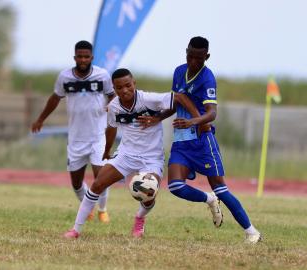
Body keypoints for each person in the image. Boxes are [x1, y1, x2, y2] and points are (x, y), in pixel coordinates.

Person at [63, 68, 221, 239]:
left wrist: (195, 121)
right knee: (97, 185)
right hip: (126, 155)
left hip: (151, 158)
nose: (125, 90)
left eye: (128, 85)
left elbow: (181, 98)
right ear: (114, 89)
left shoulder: (148, 99)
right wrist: (107, 150)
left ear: (134, 83)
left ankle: (139, 218)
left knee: (148, 194)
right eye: (119, 88)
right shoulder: (114, 106)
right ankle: (76, 230)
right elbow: (111, 127)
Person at [141, 36, 261, 243]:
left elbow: (212, 113)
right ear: (185, 51)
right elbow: (175, 103)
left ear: (207, 56)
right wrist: (157, 118)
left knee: (221, 189)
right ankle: (209, 199)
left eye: (199, 58)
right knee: (175, 186)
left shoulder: (207, 78)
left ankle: (252, 232)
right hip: (181, 142)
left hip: (203, 141)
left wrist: (193, 121)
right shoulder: (179, 71)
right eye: (190, 56)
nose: (193, 61)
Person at [31, 40, 116, 223]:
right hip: (77, 138)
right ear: (75, 57)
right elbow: (55, 98)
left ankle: (103, 210)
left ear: (92, 57)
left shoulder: (102, 75)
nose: (83, 60)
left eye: (87, 56)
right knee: (76, 183)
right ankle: (89, 206)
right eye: (80, 56)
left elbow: (112, 95)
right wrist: (40, 119)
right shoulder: (65, 77)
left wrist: (112, 108)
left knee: (101, 177)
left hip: (98, 136)